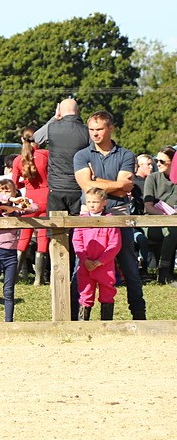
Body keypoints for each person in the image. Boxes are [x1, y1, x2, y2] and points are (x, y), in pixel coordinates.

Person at [73, 111, 145, 320]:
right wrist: (114, 185)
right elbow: (87, 186)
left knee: (128, 262)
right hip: (90, 210)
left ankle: (138, 314)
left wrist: (97, 180)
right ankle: (74, 315)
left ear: (110, 128)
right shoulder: (82, 155)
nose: (95, 134)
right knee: (82, 263)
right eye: (91, 130)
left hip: (118, 211)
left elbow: (126, 188)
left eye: (99, 129)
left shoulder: (126, 155)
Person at [0, 179, 37, 322]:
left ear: (15, 192)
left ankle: (8, 321)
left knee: (9, 290)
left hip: (11, 254)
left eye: (8, 191)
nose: (4, 193)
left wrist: (15, 207)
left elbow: (34, 207)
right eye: (2, 190)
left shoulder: (16, 210)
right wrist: (9, 199)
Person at [73, 187, 121, 321]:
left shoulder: (110, 220)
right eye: (89, 202)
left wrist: (101, 261)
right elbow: (77, 241)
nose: (92, 205)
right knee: (85, 292)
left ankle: (106, 323)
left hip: (104, 266)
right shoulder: (81, 220)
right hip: (85, 264)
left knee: (107, 292)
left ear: (104, 202)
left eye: (95, 201)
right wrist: (84, 259)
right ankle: (83, 324)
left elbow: (115, 244)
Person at [33, 98, 87, 215]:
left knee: (55, 229)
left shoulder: (52, 127)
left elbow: (36, 138)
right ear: (78, 111)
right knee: (78, 229)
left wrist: (54, 118)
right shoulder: (87, 131)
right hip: (78, 186)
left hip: (56, 187)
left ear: (60, 111)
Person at [12, 126, 50, 285]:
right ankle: (39, 278)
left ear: (22, 139)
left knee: (24, 237)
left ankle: (14, 277)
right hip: (46, 197)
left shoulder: (18, 160)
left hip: (29, 200)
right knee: (42, 238)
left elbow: (13, 184)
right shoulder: (46, 155)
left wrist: (24, 184)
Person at [144, 147, 177, 284]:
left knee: (173, 229)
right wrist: (166, 216)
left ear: (173, 163)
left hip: (173, 222)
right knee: (172, 231)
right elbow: (148, 206)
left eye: (162, 161)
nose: (157, 164)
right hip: (152, 222)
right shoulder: (152, 178)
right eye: (156, 160)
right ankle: (163, 272)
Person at [132, 154, 154, 279]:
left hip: (150, 219)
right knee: (142, 239)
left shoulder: (152, 180)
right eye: (148, 164)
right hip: (136, 221)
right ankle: (143, 268)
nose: (151, 167)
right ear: (139, 166)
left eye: (152, 164)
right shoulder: (134, 183)